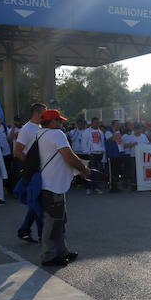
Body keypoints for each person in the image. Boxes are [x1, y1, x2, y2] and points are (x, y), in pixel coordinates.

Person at [36, 108, 90, 267]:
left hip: (49, 183)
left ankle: (61, 252)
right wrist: (83, 169)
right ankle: (49, 255)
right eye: (59, 120)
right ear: (52, 121)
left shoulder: (40, 134)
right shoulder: (57, 134)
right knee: (54, 221)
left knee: (58, 220)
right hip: (54, 185)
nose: (61, 124)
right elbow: (69, 156)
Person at [13, 102, 46, 243]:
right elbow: (18, 151)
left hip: (41, 170)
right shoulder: (26, 129)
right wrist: (31, 166)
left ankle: (24, 231)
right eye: (44, 113)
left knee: (36, 202)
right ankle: (42, 235)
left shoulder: (40, 127)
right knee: (39, 203)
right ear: (37, 114)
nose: (46, 116)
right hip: (34, 172)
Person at [78, 117, 105, 194]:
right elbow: (83, 143)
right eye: (95, 122)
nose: (97, 124)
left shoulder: (100, 132)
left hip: (99, 153)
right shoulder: (87, 131)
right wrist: (88, 152)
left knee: (97, 172)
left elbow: (102, 143)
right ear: (92, 123)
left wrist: (103, 153)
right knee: (90, 171)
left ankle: (95, 187)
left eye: (98, 122)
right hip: (91, 154)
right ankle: (88, 187)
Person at [123, 122, 149, 191]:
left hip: (142, 157)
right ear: (134, 129)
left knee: (141, 171)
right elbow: (125, 146)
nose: (138, 130)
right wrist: (132, 144)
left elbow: (148, 145)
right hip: (133, 156)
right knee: (133, 171)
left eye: (139, 129)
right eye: (136, 129)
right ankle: (133, 186)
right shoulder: (131, 136)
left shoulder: (144, 136)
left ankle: (142, 185)